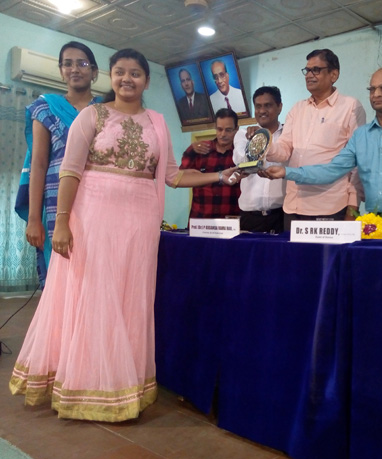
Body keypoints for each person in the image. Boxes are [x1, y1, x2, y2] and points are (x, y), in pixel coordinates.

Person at [9, 48, 240, 422]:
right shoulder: (92, 116)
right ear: (110, 77)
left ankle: (120, 386)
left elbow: (173, 175)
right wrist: (61, 222)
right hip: (93, 220)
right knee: (93, 298)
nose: (127, 78)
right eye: (120, 72)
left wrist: (219, 175)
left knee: (128, 301)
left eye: (135, 73)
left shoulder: (157, 122)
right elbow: (70, 170)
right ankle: (83, 383)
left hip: (139, 226)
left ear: (146, 81)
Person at [263, 68, 382, 238]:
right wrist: (286, 172)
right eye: (372, 89)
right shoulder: (361, 135)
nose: (376, 94)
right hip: (375, 224)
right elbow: (331, 170)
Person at [14, 41, 102, 288]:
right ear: (61, 71)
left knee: (95, 274)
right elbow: (39, 164)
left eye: (82, 63)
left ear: (94, 71)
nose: (75, 69)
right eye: (68, 64)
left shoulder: (106, 109)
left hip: (99, 201)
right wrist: (34, 219)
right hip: (56, 201)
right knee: (61, 276)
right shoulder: (45, 108)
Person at [261, 48, 366, 231]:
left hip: (330, 206)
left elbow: (357, 162)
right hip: (293, 205)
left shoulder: (350, 106)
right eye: (307, 70)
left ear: (334, 75)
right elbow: (284, 149)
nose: (309, 75)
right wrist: (263, 145)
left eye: (316, 70)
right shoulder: (298, 108)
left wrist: (353, 207)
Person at [233, 86, 285, 233]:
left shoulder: (288, 135)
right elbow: (240, 162)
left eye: (268, 105)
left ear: (279, 107)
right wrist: (257, 140)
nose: (262, 111)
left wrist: (265, 137)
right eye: (258, 106)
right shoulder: (243, 134)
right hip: (250, 216)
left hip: (281, 215)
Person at [180, 108, 241, 219]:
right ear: (215, 127)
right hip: (200, 218)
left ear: (236, 129)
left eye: (228, 130)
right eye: (219, 129)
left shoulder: (241, 153)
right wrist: (192, 150)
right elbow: (179, 177)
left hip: (232, 219)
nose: (223, 134)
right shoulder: (198, 149)